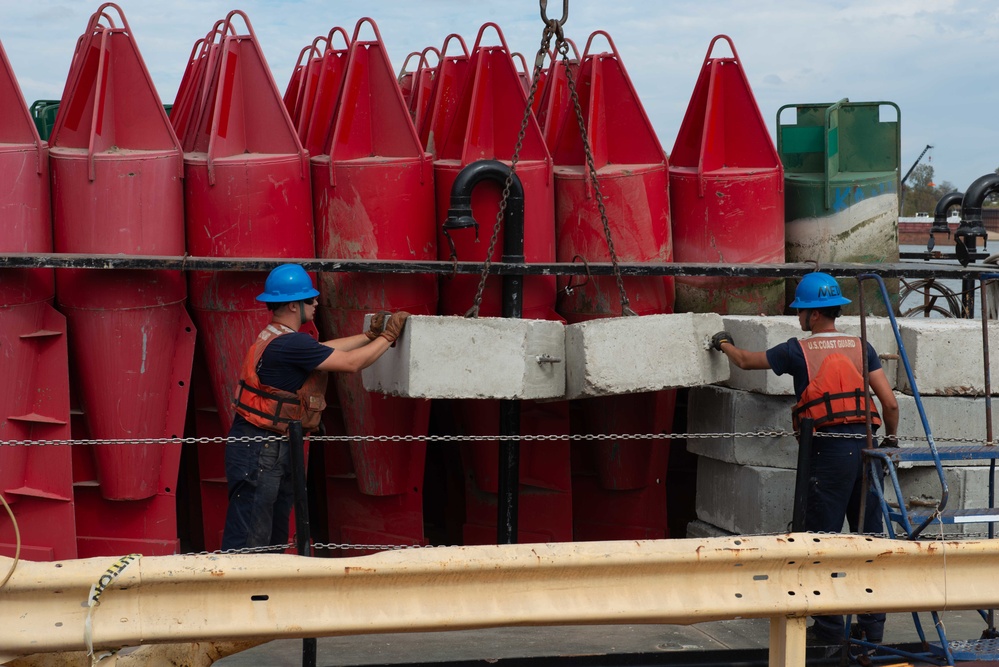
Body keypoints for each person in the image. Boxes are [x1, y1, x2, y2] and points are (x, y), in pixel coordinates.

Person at [710, 272, 899, 658]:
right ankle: (871, 632)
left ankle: (828, 630)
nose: (798, 316)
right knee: (869, 540)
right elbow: (890, 404)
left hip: (827, 453)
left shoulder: (797, 350)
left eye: (800, 310)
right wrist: (889, 442)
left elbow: (746, 362)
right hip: (868, 451)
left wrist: (724, 344)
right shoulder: (862, 346)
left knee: (820, 541)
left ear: (812, 315)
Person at [221, 263, 409, 552]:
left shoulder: (276, 336)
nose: (317, 302)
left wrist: (368, 337)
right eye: (310, 299)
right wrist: (388, 337)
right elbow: (350, 363)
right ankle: (240, 594)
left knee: (268, 534)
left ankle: (265, 593)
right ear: (294, 305)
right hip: (262, 450)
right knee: (251, 537)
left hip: (260, 444)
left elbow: (324, 349)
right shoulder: (290, 344)